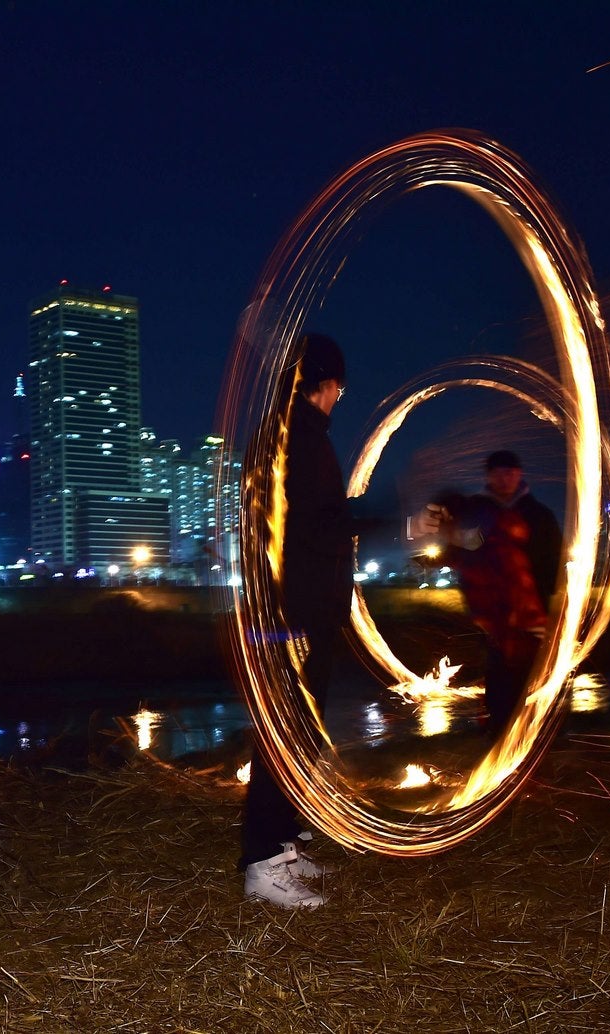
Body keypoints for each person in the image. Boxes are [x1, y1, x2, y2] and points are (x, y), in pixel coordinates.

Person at [240, 333, 356, 910]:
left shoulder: (291, 437)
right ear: (327, 383)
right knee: (286, 734)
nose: (340, 398)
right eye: (339, 387)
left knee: (299, 733)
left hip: (299, 608)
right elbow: (318, 525)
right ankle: (263, 862)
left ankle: (283, 843)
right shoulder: (299, 440)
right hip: (297, 612)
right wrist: (397, 521)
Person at [424, 450, 562, 732]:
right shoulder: (474, 511)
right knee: (498, 670)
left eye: (510, 473)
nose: (504, 479)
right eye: (498, 473)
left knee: (531, 670)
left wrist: (546, 596)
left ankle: (531, 733)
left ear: (519, 475)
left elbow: (554, 561)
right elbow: (457, 545)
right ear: (488, 476)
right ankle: (501, 731)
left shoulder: (538, 515)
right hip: (490, 609)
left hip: (531, 609)